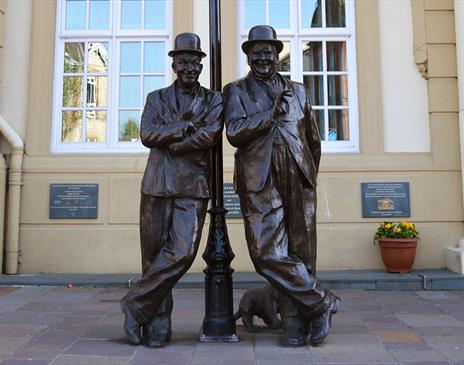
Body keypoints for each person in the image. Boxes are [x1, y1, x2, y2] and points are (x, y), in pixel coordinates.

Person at [224, 25, 340, 347]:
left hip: (298, 175)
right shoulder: (236, 91)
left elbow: (313, 140)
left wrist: (307, 173)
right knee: (266, 253)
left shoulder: (299, 90)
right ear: (248, 57)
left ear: (278, 55)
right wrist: (269, 115)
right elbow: (234, 132)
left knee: (302, 253)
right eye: (257, 52)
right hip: (260, 179)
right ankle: (321, 302)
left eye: (269, 52)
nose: (263, 57)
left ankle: (295, 323)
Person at [120, 33, 223, 347]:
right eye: (184, 61)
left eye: (195, 61)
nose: (189, 66)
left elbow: (210, 136)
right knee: (153, 259)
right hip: (157, 184)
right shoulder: (156, 98)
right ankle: (158, 321)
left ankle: (135, 303)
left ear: (201, 64)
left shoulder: (213, 100)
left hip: (193, 186)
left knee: (182, 253)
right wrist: (183, 127)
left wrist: (172, 140)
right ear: (174, 63)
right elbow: (148, 134)